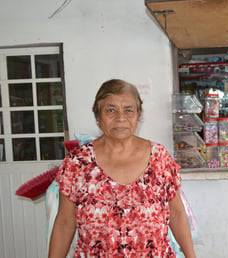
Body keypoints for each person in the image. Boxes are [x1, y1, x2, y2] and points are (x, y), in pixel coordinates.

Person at [49, 79, 196, 257]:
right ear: (98, 117)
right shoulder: (77, 163)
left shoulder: (159, 158)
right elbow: (64, 223)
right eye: (111, 110)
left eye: (128, 110)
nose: (120, 118)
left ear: (137, 115)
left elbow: (177, 213)